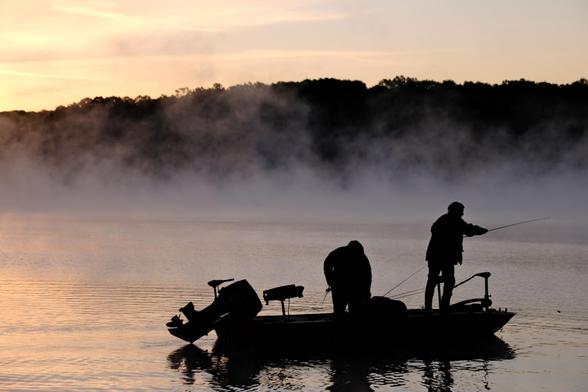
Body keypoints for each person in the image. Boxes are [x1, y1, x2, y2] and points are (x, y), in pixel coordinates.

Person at [425, 202, 487, 311]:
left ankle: (429, 307)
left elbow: (466, 229)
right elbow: (468, 230)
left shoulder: (443, 219)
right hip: (445, 257)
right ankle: (444, 307)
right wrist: (481, 231)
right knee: (448, 281)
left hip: (434, 256)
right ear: (455, 211)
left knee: (433, 280)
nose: (462, 214)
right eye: (461, 211)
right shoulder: (454, 220)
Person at [323, 240, 372, 316]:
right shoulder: (339, 253)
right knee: (343, 310)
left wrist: (367, 292)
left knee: (345, 310)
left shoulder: (361, 256)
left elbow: (367, 276)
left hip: (352, 288)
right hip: (340, 287)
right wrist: (330, 281)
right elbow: (368, 276)